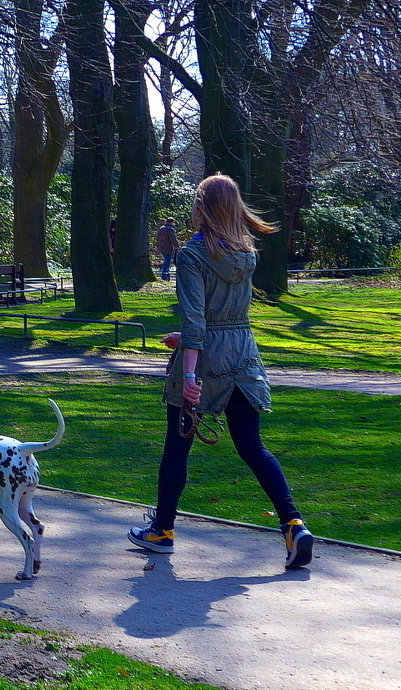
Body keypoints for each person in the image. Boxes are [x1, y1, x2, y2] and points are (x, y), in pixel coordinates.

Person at [127, 174, 314, 569]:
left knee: (177, 446)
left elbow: (197, 320)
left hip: (206, 358)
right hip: (243, 352)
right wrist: (191, 337)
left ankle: (162, 531)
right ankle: (293, 524)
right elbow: (222, 317)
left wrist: (190, 376)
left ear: (202, 207)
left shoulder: (192, 255)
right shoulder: (247, 253)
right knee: (251, 445)